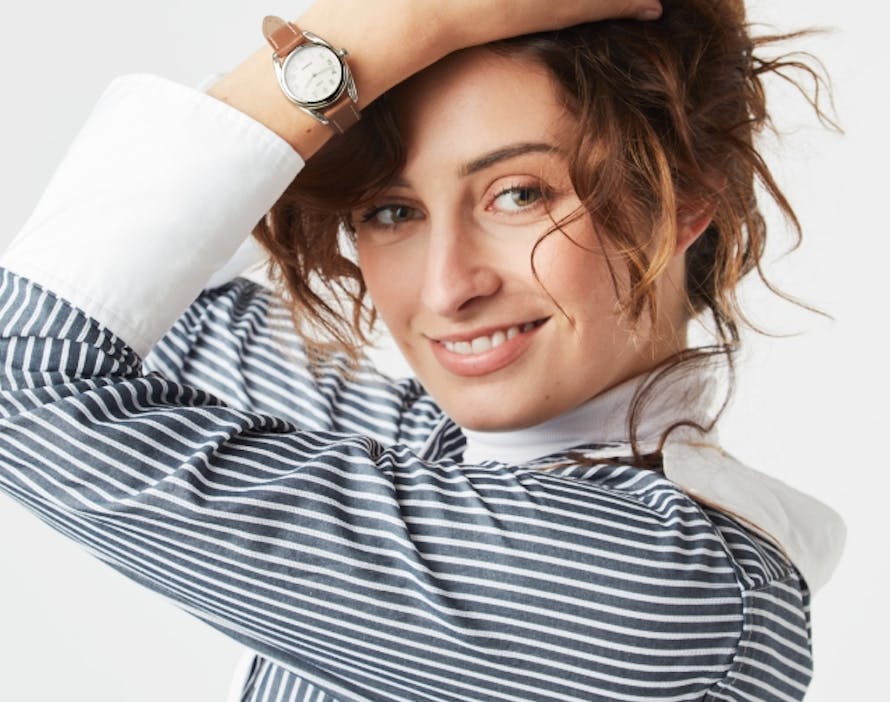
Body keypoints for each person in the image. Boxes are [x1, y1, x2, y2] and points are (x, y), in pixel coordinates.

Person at [0, 0, 845, 700]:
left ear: (682, 198)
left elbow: (26, 374)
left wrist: (382, 34)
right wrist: (379, 46)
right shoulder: (437, 452)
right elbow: (157, 300)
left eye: (519, 194)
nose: (446, 289)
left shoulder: (647, 584)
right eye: (391, 211)